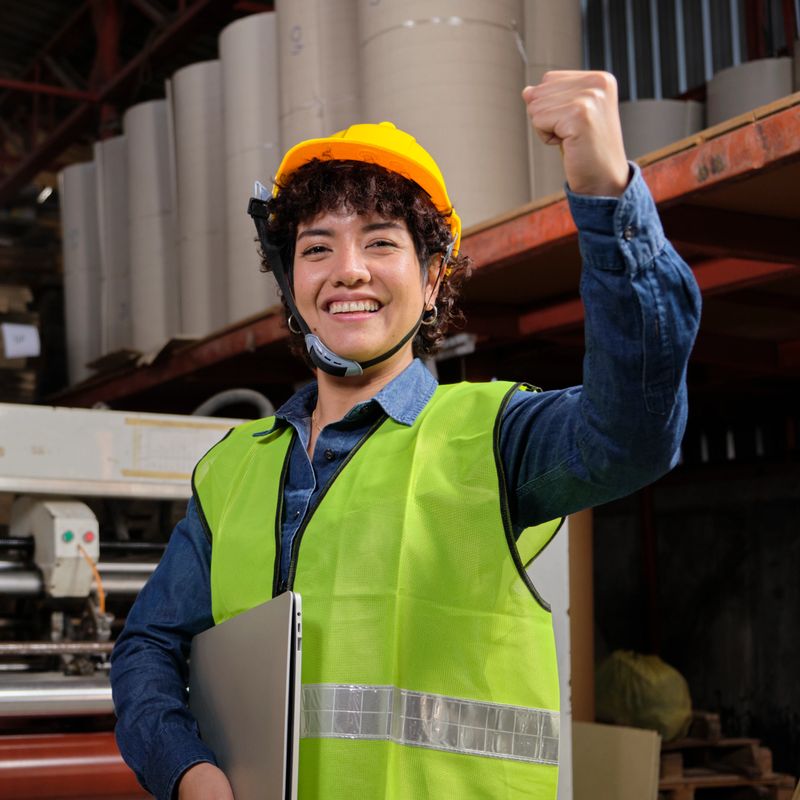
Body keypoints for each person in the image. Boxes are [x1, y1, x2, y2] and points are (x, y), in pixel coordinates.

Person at [111, 71, 701, 800]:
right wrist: (188, 771)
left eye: (381, 243)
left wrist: (607, 191)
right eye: (317, 248)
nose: (347, 270)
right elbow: (147, 647)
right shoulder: (233, 469)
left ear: (430, 281)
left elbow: (634, 433)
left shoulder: (492, 437)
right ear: (292, 284)